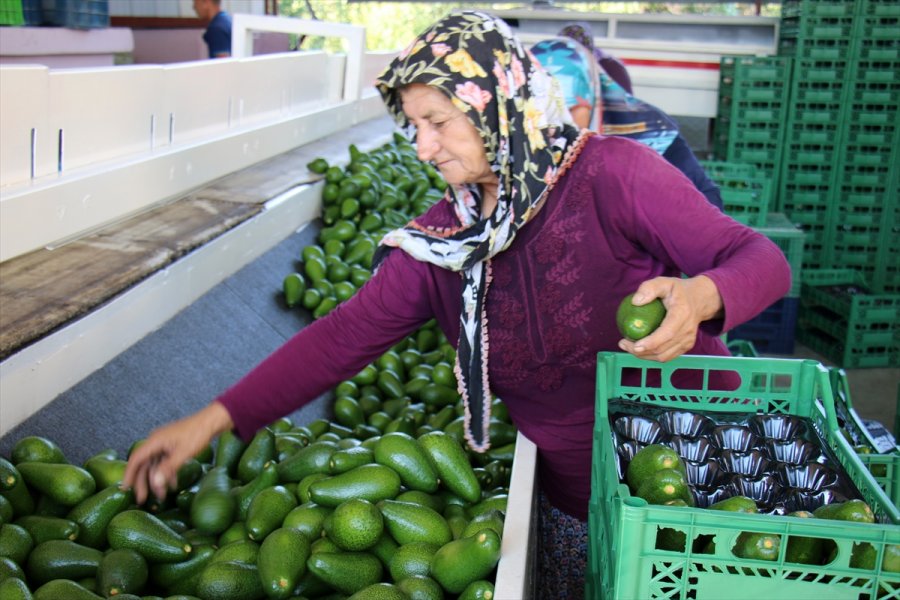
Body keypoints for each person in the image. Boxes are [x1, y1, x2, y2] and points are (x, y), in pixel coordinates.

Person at [124, 10, 790, 598]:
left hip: (712, 468)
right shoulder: (444, 247)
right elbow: (342, 336)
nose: (422, 148)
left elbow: (761, 260)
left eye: (438, 122)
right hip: (581, 508)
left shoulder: (612, 175)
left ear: (497, 104)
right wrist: (213, 420)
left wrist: (701, 295)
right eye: (413, 126)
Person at [531, 32, 725, 211]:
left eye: (570, 108)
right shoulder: (523, 141)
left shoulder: (653, 133)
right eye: (542, 110)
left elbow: (708, 201)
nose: (556, 121)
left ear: (592, 96)